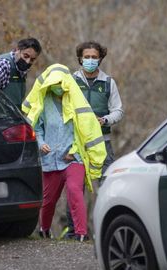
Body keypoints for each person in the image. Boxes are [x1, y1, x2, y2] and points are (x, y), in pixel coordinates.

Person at [22, 64, 106, 242]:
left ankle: (81, 233)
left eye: (61, 83)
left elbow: (83, 130)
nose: (59, 87)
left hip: (73, 158)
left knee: (75, 191)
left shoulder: (77, 101)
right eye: (55, 83)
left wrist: (74, 151)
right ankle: (44, 230)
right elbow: (37, 128)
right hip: (50, 159)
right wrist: (41, 143)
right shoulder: (43, 103)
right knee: (49, 200)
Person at [62, 41, 124, 239]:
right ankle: (74, 232)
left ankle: (110, 231)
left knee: (108, 186)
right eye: (86, 57)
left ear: (100, 58)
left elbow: (118, 110)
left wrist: (105, 119)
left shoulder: (108, 83)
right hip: (77, 144)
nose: (90, 60)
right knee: (75, 188)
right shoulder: (70, 81)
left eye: (94, 57)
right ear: (80, 58)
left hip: (102, 143)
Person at [0, 38, 42, 109]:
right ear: (17, 50)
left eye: (32, 60)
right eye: (25, 56)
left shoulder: (21, 71)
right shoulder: (4, 64)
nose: (27, 61)